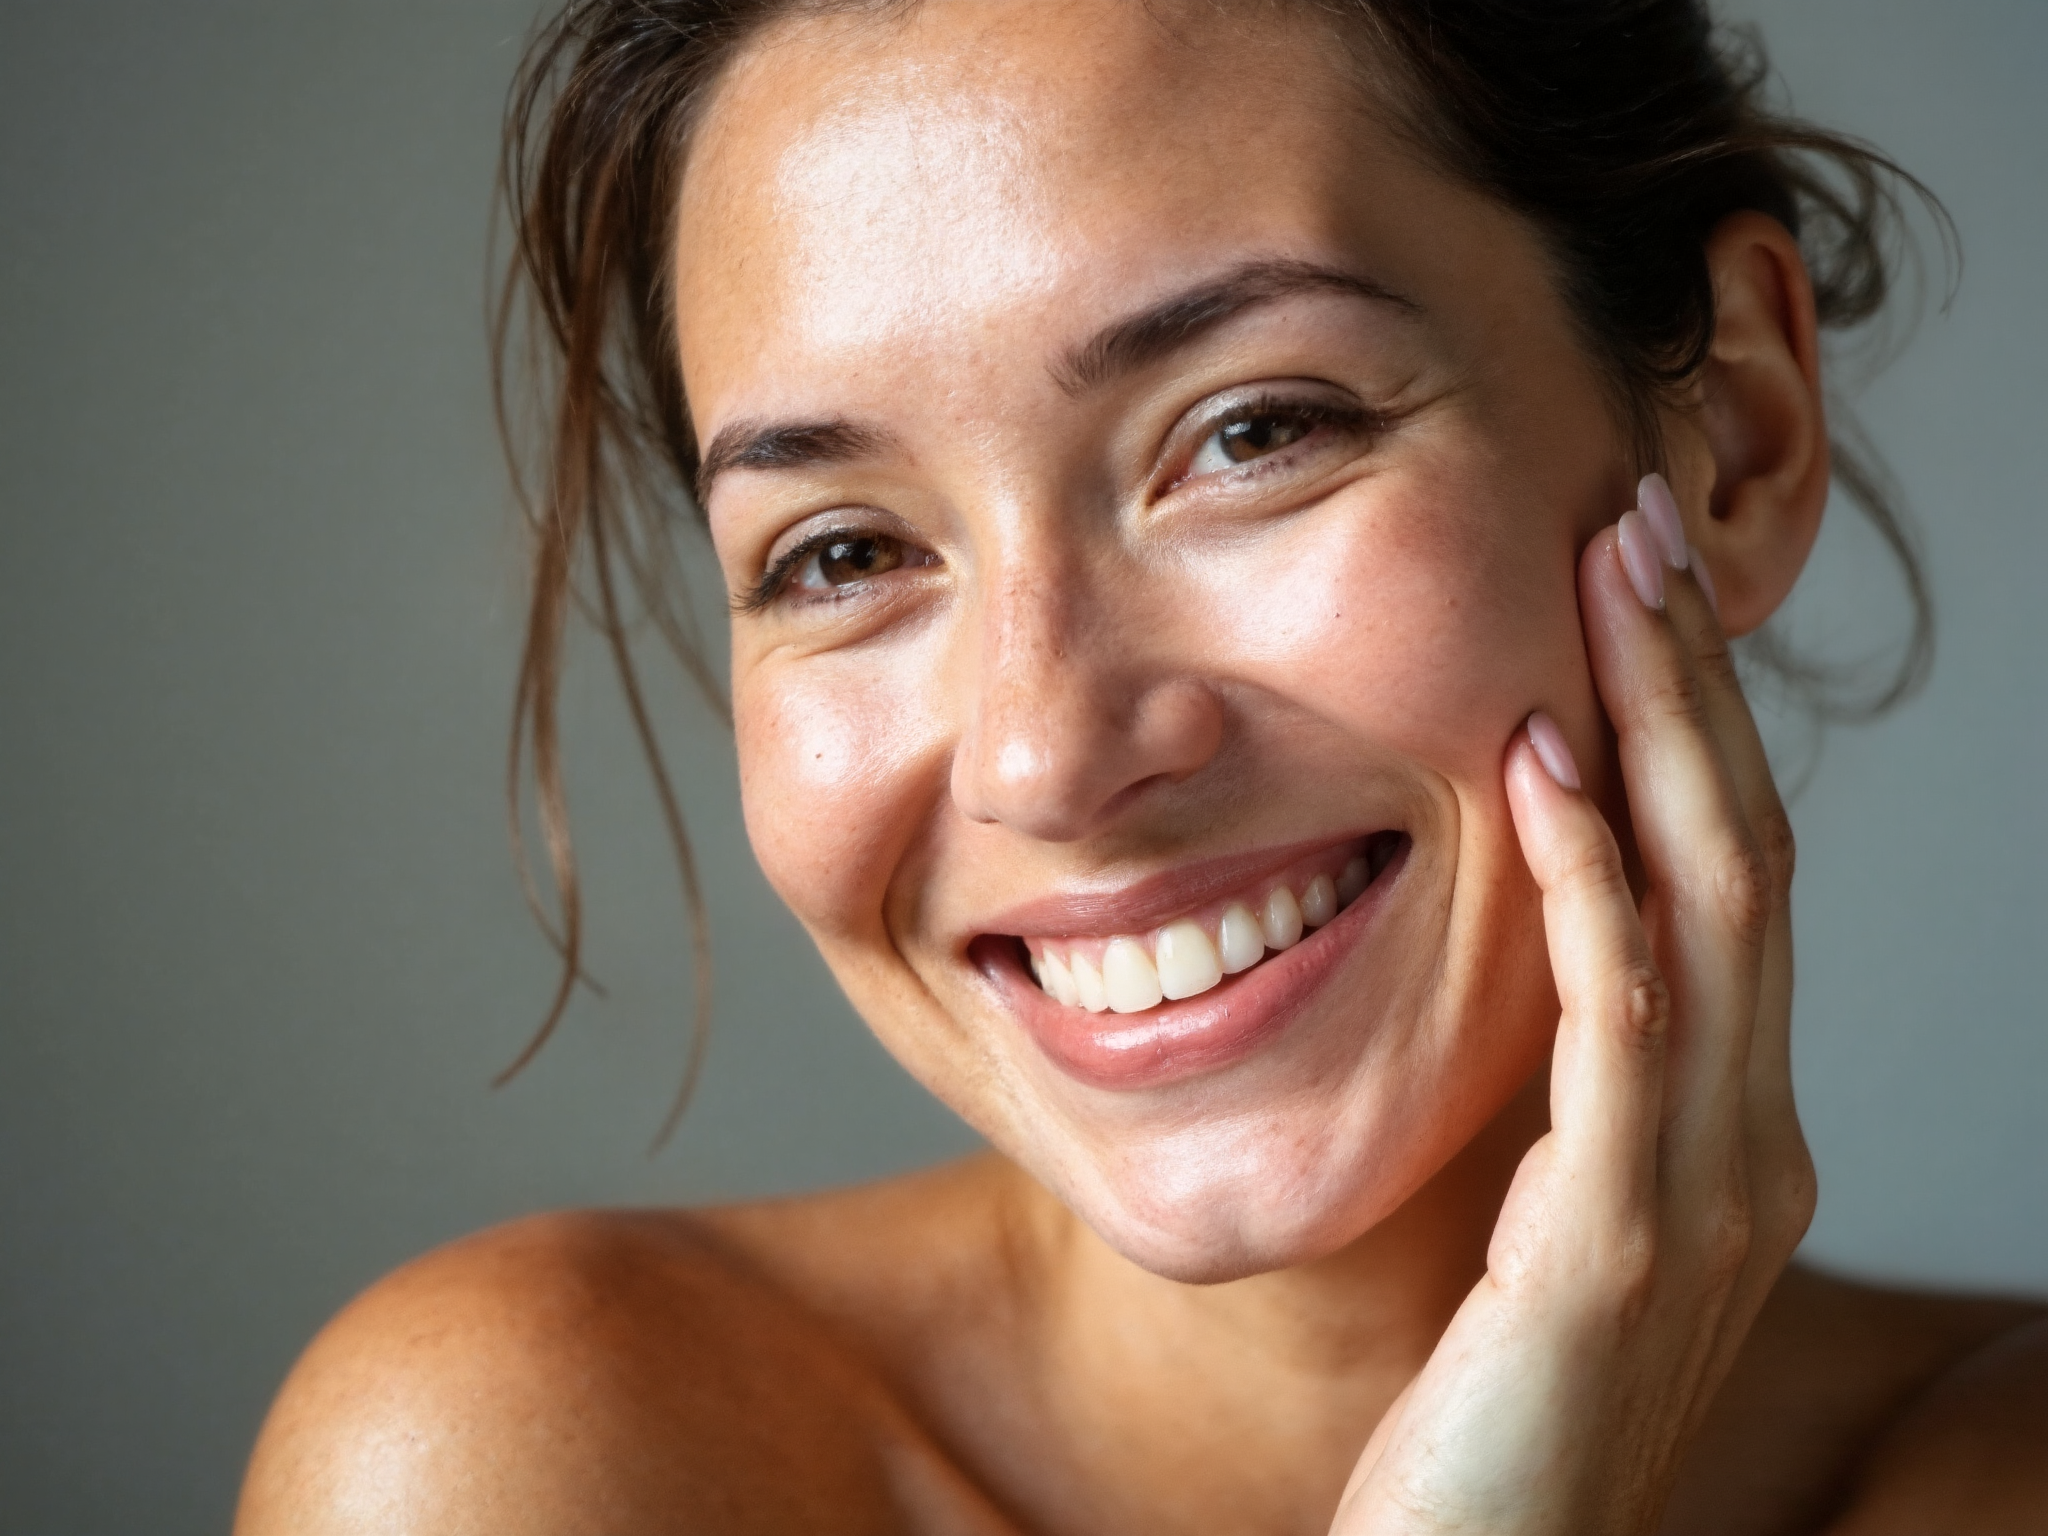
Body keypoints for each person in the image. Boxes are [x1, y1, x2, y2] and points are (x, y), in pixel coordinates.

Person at [233, 2, 2047, 1531]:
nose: (1044, 751)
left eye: (1255, 432)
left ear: (1733, 434)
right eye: (843, 553)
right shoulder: (536, 1462)